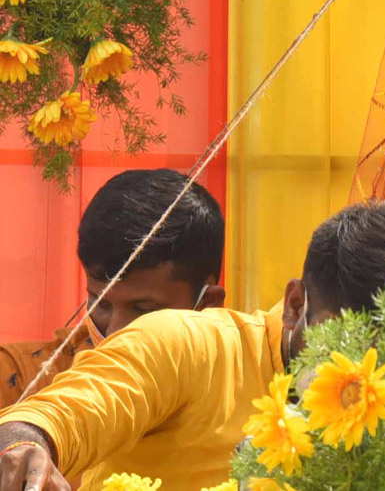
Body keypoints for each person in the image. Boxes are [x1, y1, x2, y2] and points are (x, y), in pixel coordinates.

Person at [0, 202, 385, 491]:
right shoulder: (186, 346)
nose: (362, 377)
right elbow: (57, 417)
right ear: (295, 302)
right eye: (340, 340)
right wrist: (24, 444)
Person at [0, 170, 226, 407]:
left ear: (207, 304)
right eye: (101, 304)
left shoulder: (248, 393)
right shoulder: (19, 379)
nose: (114, 332)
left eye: (143, 309)